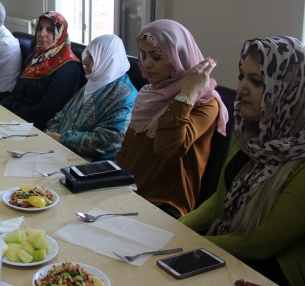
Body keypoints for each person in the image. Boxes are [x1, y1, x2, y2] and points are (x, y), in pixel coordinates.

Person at [180, 36, 305, 286]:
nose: (241, 89)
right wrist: (175, 229)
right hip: (227, 249)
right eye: (243, 77)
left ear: (288, 91)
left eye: (256, 81)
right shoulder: (250, 134)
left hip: (269, 271)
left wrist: (183, 243)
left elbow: (260, 244)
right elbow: (220, 199)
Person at [114, 19, 228, 217]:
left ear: (178, 56)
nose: (147, 63)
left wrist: (187, 94)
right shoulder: (149, 94)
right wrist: (105, 182)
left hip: (164, 206)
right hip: (129, 194)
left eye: (157, 57)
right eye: (144, 55)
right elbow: (127, 151)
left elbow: (167, 147)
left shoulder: (206, 104)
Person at [45, 34, 138, 159]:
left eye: (91, 57)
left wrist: (62, 139)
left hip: (91, 166)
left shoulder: (125, 96)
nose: (84, 61)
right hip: (59, 151)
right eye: (86, 55)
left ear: (108, 59)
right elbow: (62, 115)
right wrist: (51, 135)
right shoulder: (94, 82)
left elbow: (111, 142)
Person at [1, 11, 82, 130]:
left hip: (39, 126)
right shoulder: (36, 55)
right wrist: (2, 108)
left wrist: (15, 117)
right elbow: (17, 90)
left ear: (60, 34)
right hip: (17, 116)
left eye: (49, 30)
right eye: (39, 28)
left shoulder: (69, 66)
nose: (42, 34)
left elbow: (48, 109)